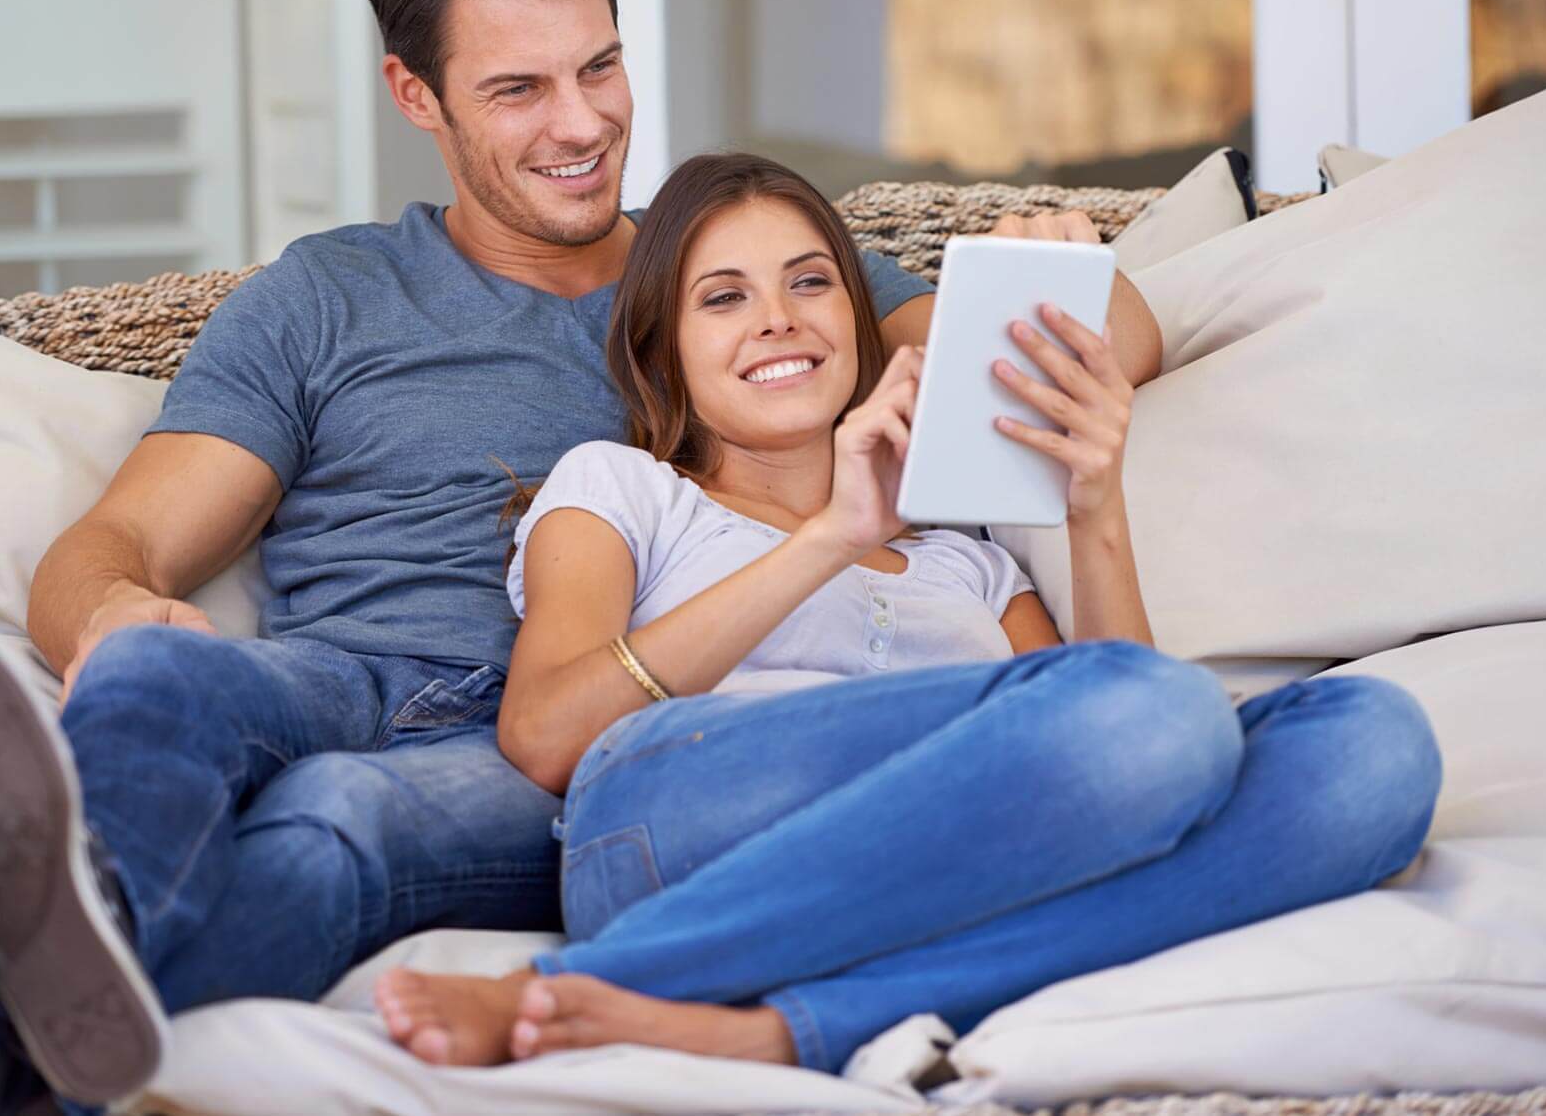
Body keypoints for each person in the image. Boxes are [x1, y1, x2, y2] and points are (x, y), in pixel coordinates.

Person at [0, 0, 1166, 1116]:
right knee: (152, 682)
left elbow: (1102, 343)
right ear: (418, 96)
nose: (582, 125)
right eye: (519, 90)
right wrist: (112, 617)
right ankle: (22, 958)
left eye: (601, 66)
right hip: (341, 670)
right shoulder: (324, 299)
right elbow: (111, 542)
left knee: (328, 824)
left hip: (552, 739)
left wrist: (1040, 277)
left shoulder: (736, 274)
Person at [372, 152, 1443, 1073]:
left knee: (1373, 749)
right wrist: (827, 537)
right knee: (1156, 711)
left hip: (942, 852)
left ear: (856, 322)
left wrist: (1091, 499)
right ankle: (569, 982)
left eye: (808, 283)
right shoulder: (619, 485)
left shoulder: (962, 560)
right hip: (678, 813)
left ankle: (785, 1032)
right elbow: (549, 733)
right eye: (724, 296)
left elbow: (1122, 756)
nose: (779, 319)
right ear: (663, 349)